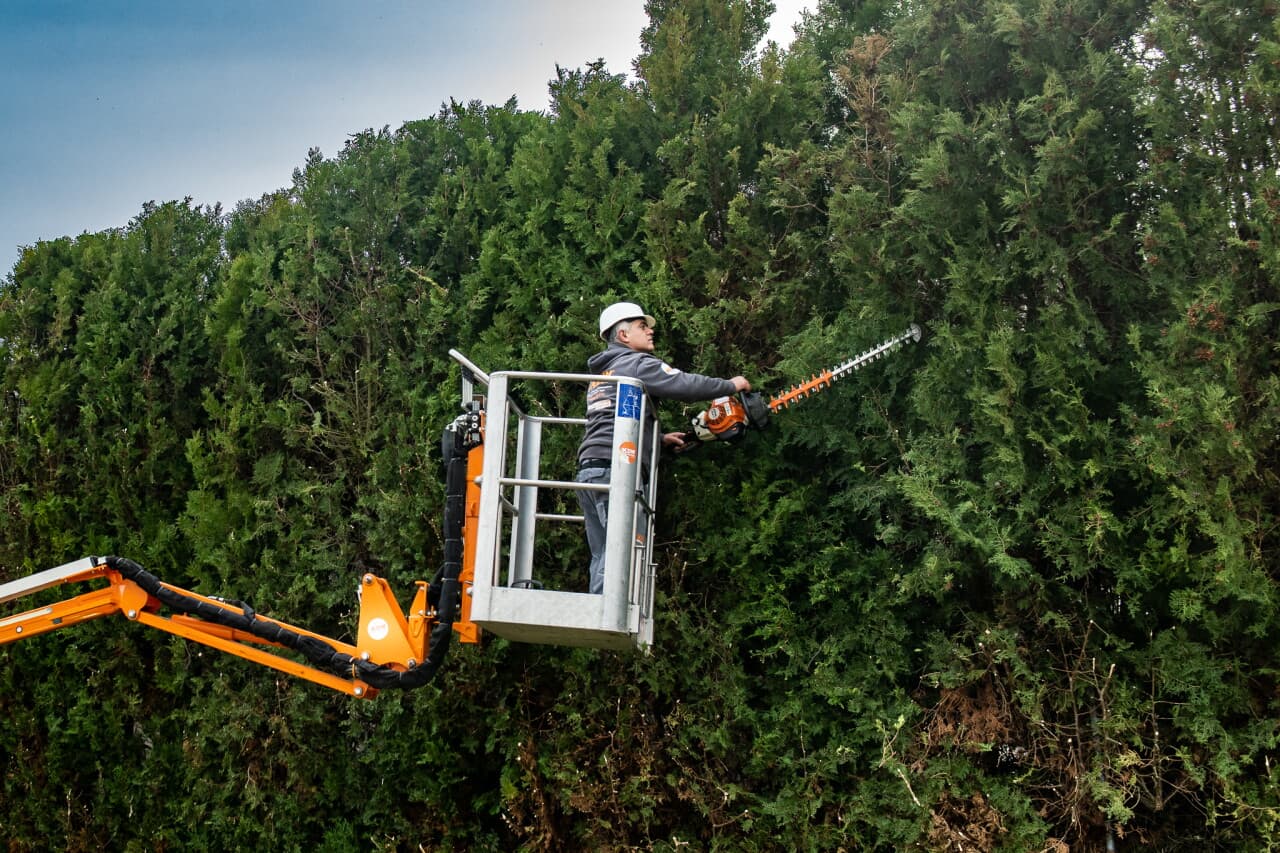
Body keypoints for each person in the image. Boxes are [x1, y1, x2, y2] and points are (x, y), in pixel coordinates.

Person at [576, 301, 751, 594]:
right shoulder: (635, 364)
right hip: (616, 468)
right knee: (619, 545)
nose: (650, 331)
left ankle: (600, 607)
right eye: (642, 327)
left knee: (603, 550)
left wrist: (657, 440)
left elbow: (612, 421)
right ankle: (606, 611)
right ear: (623, 336)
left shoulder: (602, 375)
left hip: (591, 467)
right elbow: (682, 384)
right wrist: (730, 385)